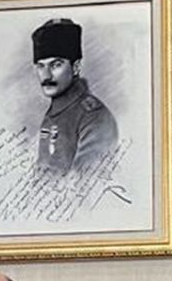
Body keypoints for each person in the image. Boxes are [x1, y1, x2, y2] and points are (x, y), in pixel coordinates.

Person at [31, 18, 119, 175]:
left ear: (76, 67)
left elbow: (87, 183)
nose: (46, 75)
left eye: (56, 65)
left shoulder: (94, 117)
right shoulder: (54, 113)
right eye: (41, 66)